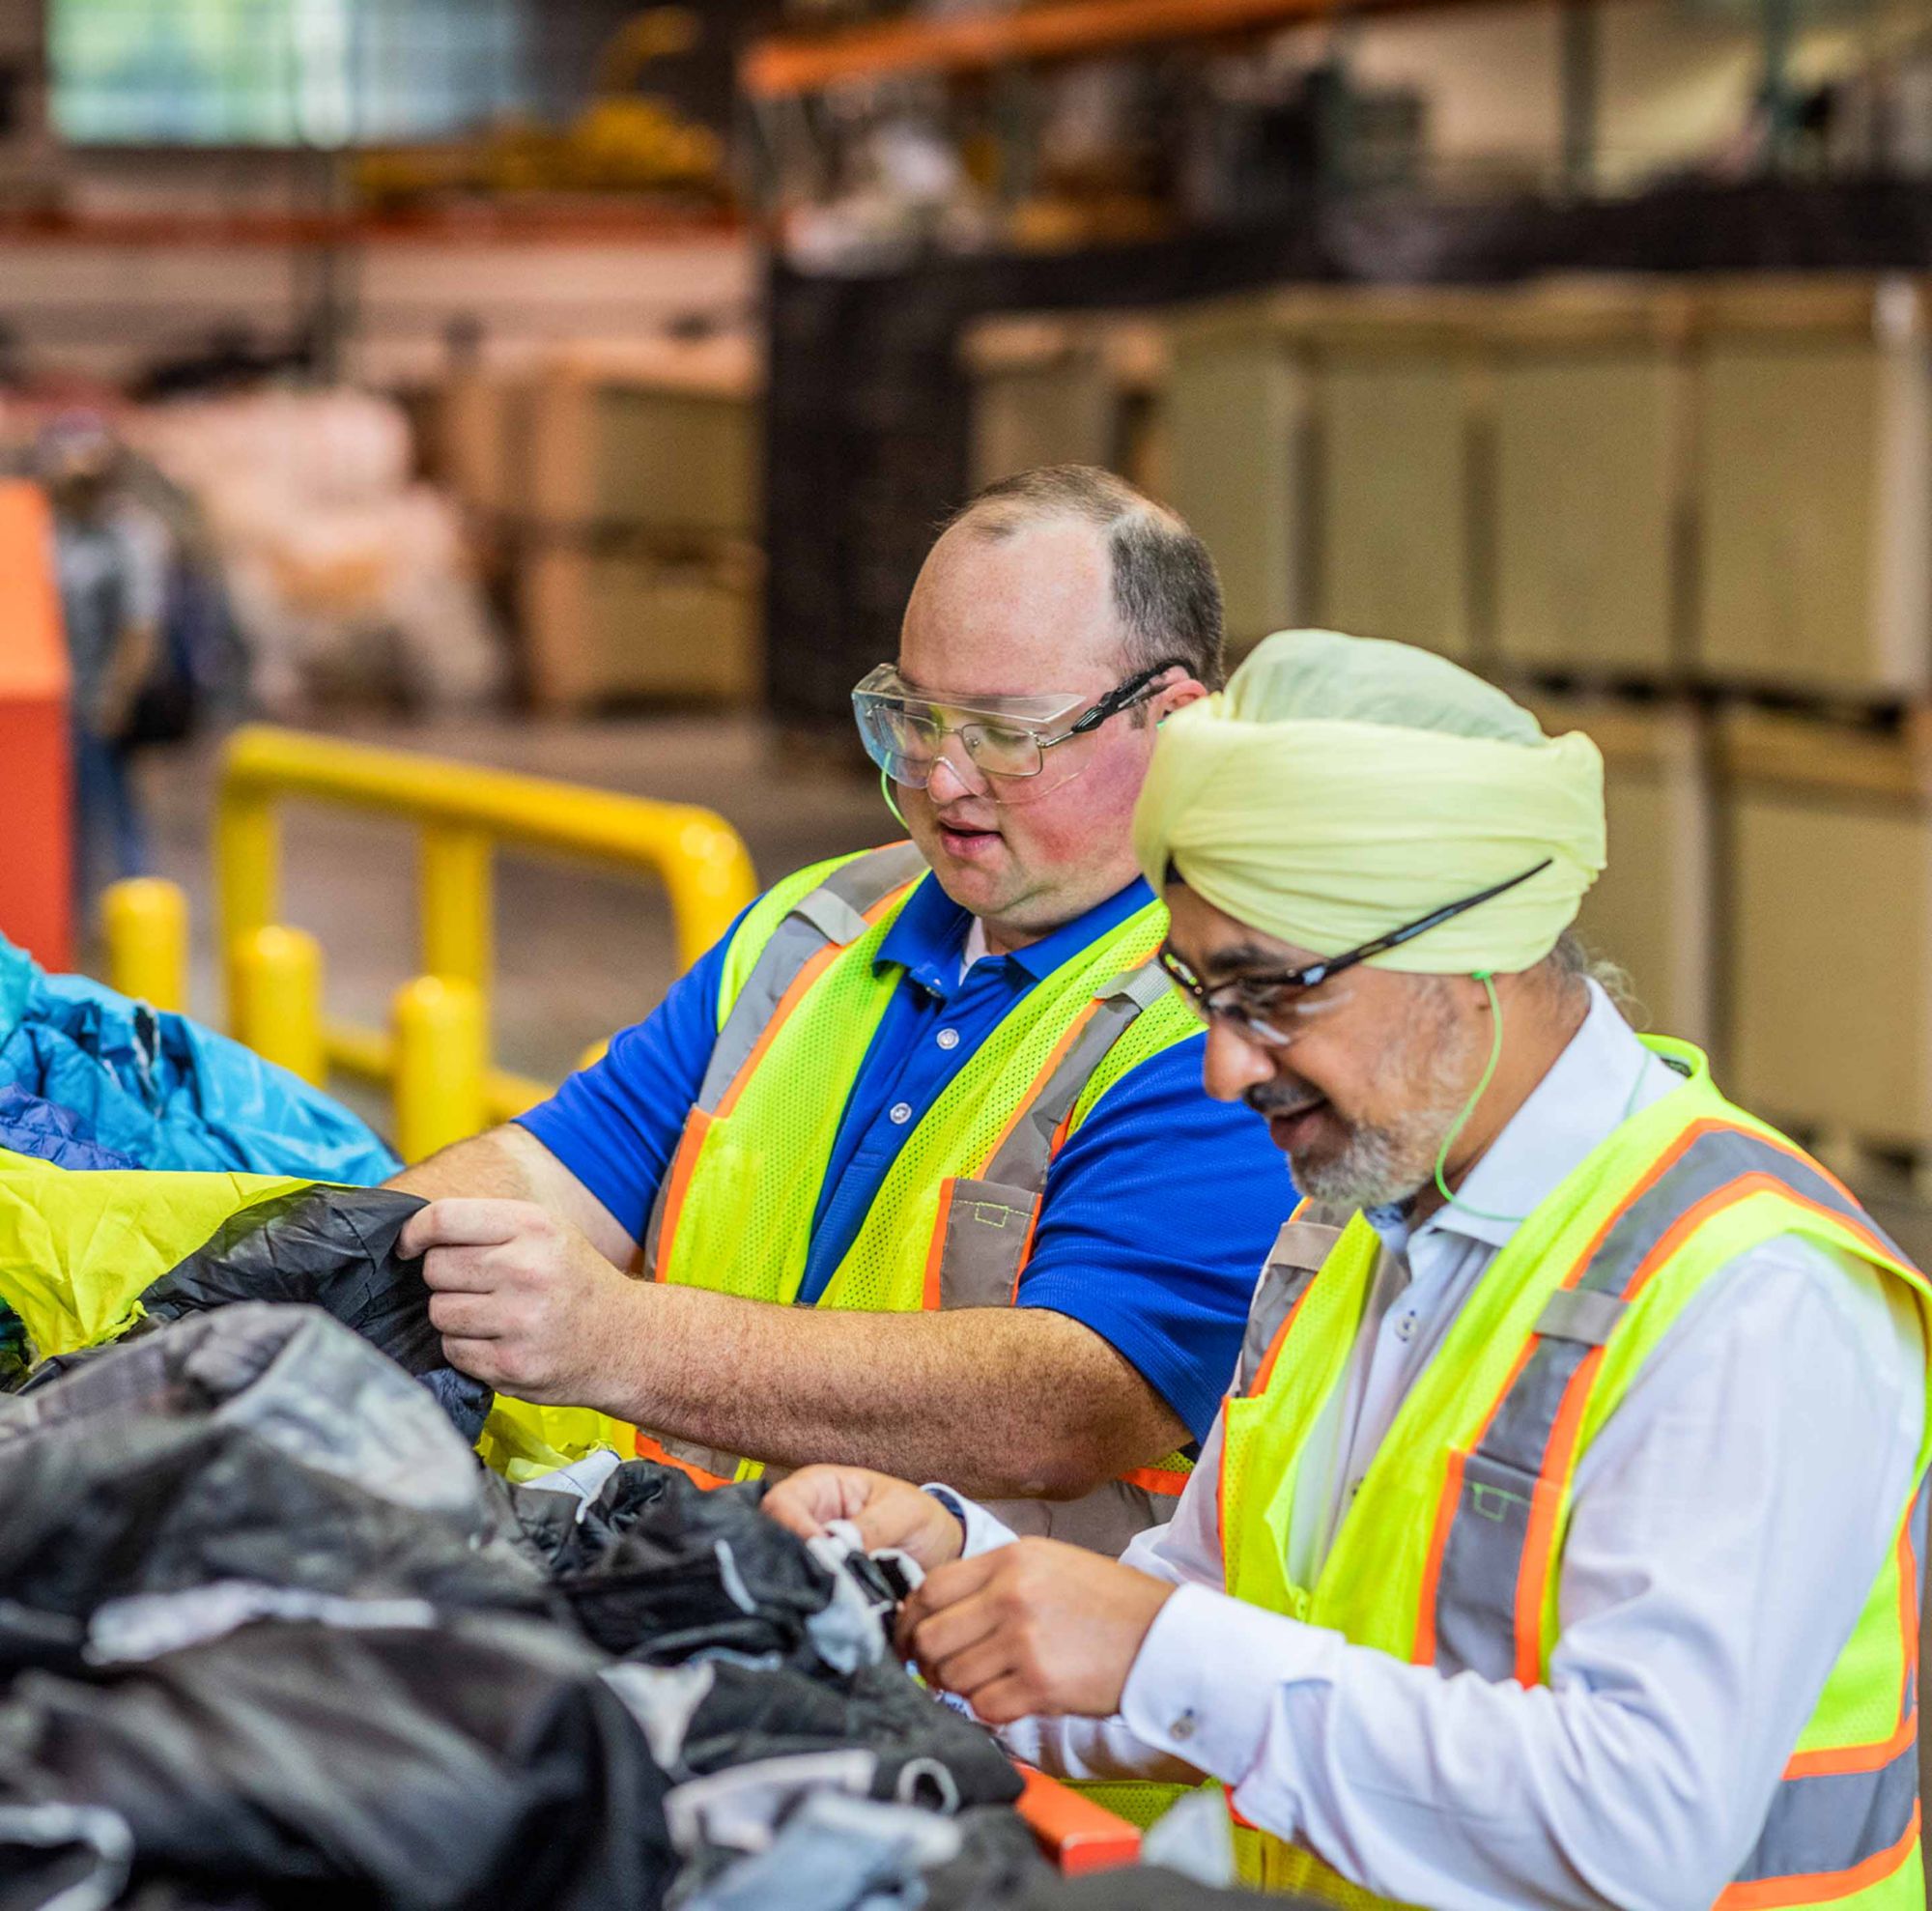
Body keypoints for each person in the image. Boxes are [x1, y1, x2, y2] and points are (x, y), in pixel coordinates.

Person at [765, 629, 1932, 1910]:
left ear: (1469, 954)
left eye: (1270, 992)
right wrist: (952, 1572)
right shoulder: (1349, 1222)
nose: (1223, 1065)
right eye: (1198, 992)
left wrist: (1161, 1653)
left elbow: (1638, 1823)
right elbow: (1213, 1642)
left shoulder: (1750, 1294)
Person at [393, 467, 1293, 1550]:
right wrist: (354, 1249)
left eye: (1007, 732)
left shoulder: (1223, 1013)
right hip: (712, 1610)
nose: (943, 779)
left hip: (984, 1686)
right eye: (914, 718)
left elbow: (1064, 1401)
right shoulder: (821, 925)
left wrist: (617, 1339)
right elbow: (561, 1167)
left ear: (1173, 723)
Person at [37, 414, 163, 909]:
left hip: (101, 699)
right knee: (66, 816)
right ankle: (73, 907)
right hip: (57, 697)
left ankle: (140, 902)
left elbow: (139, 625)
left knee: (119, 806)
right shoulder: (55, 529)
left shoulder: (128, 535)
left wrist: (117, 695)